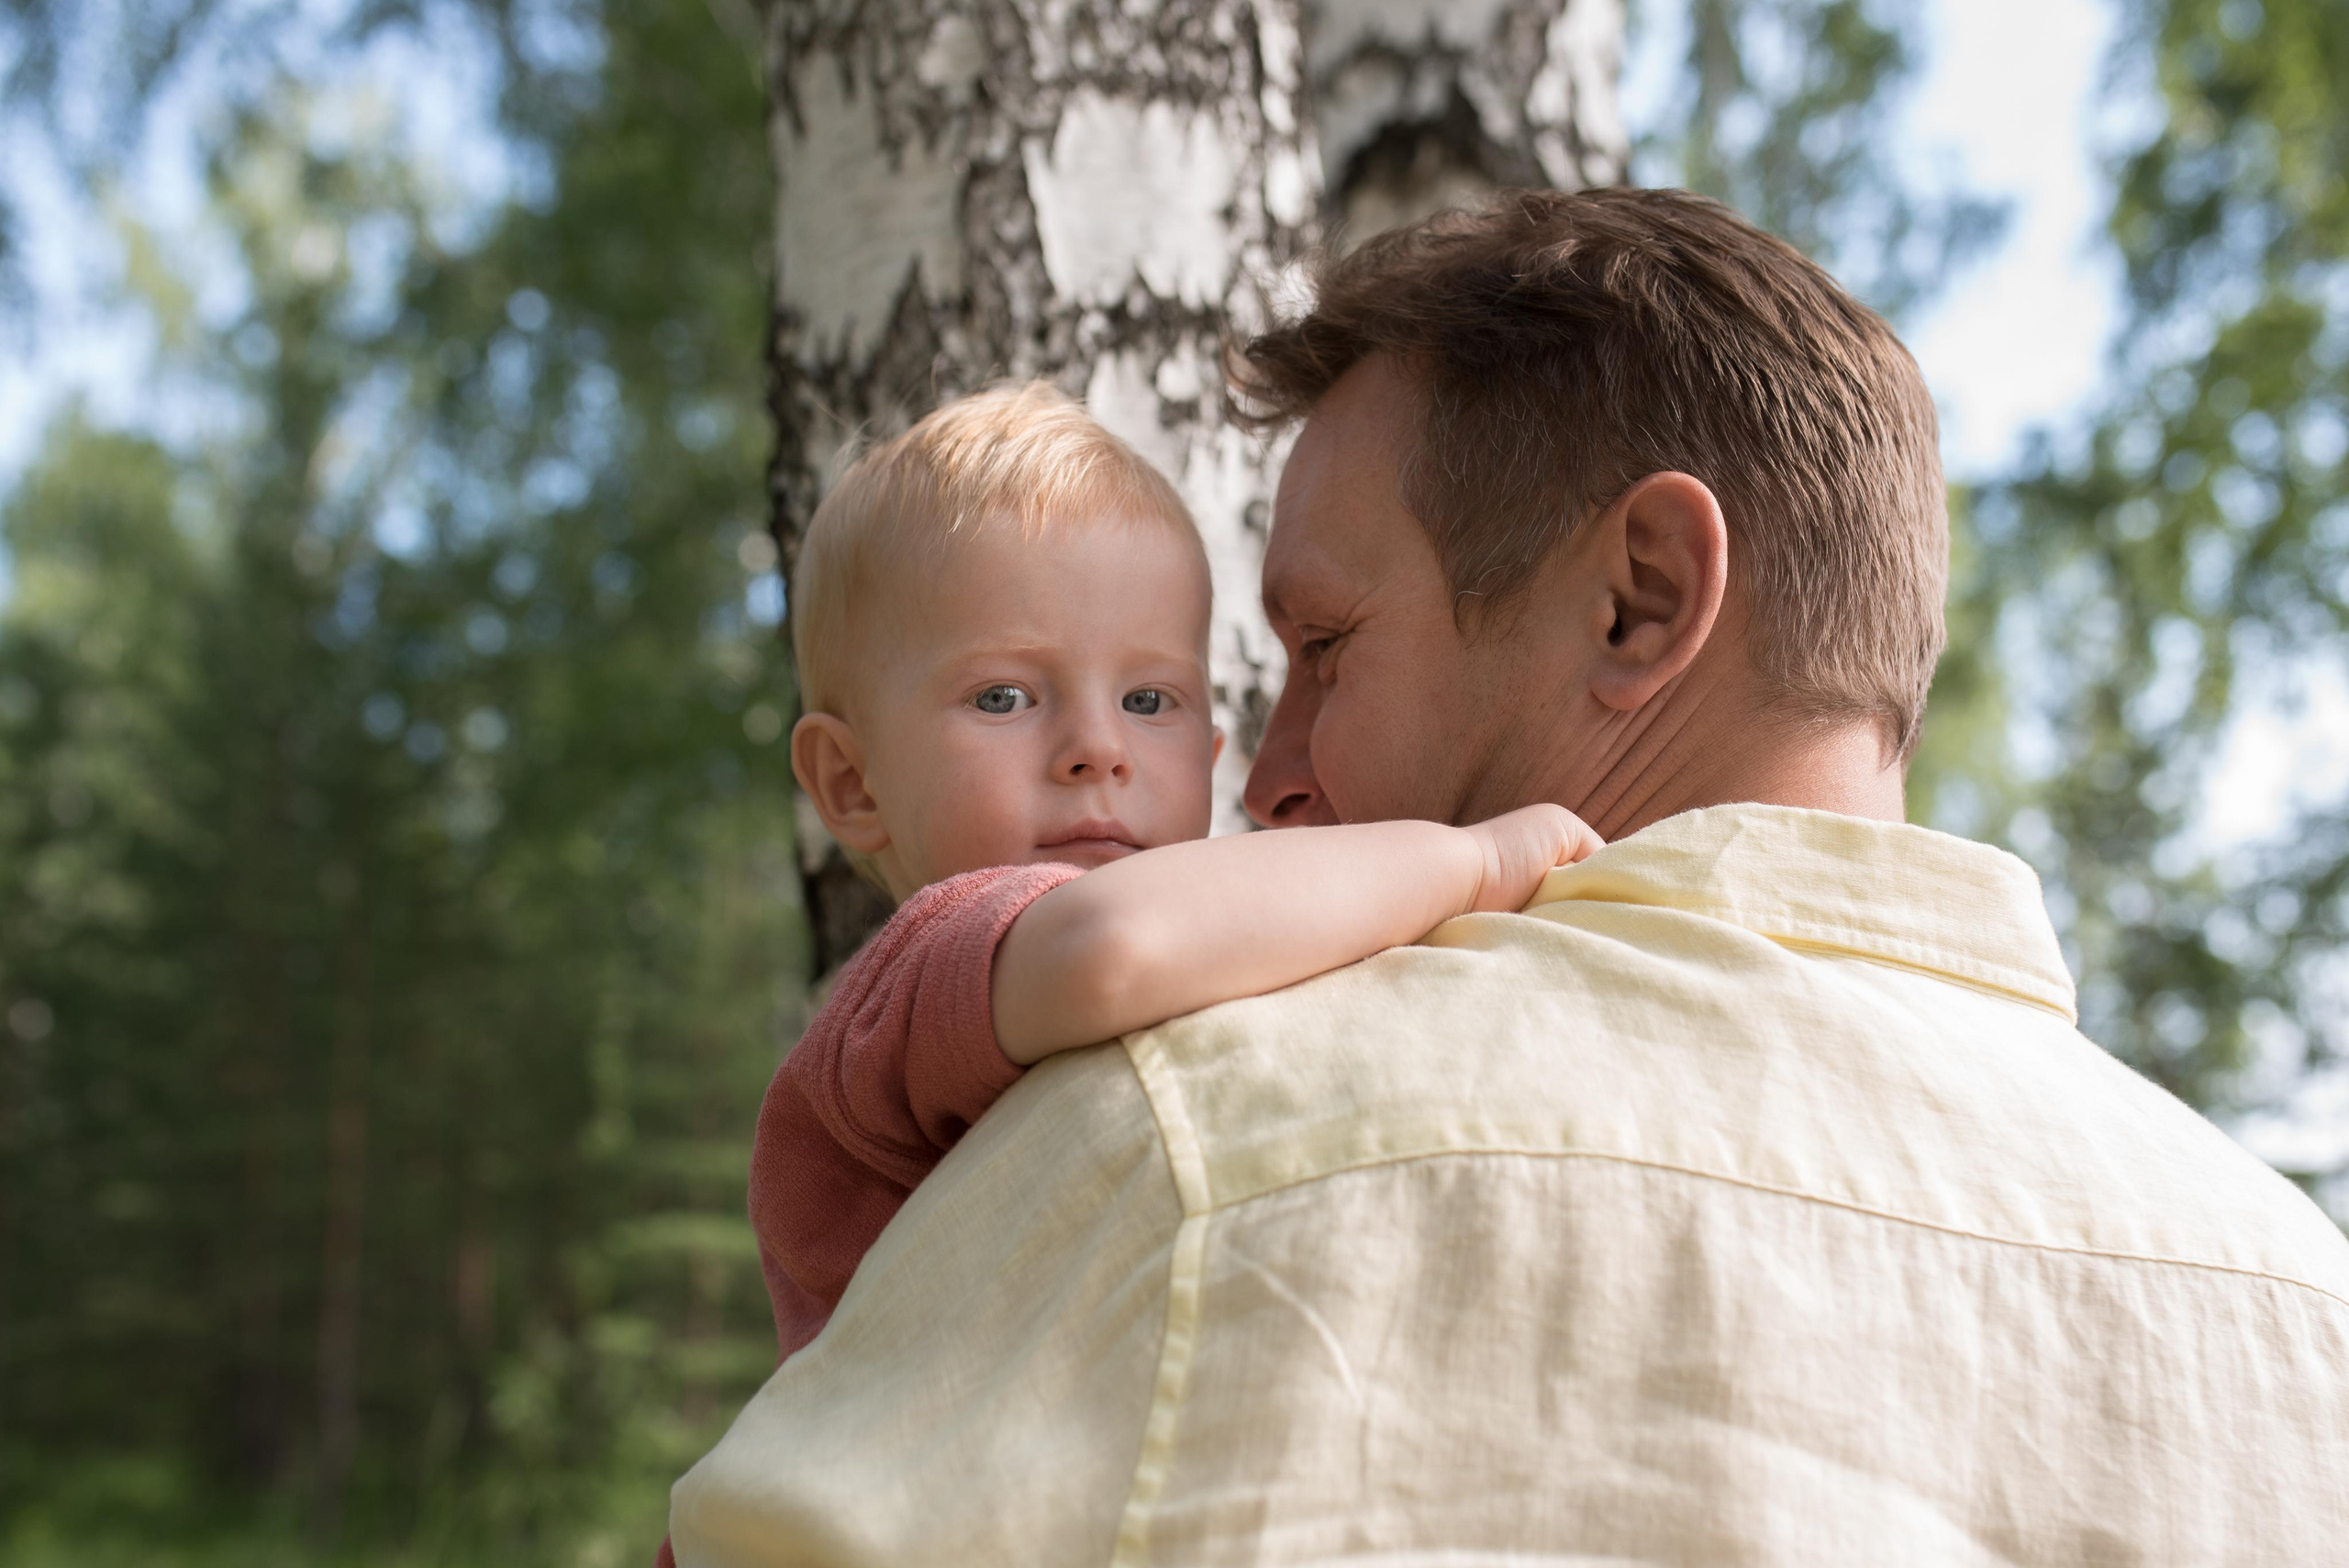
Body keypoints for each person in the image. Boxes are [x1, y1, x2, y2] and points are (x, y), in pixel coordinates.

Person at [669, 191, 2349, 1565]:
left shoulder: (1173, 1143)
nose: (1262, 780)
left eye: (1324, 646)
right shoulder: (2302, 1309)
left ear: (1638, 597)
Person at [749, 381, 1595, 1363]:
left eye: (1150, 698)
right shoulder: (923, 967)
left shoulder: (1189, 945)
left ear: (1211, 749)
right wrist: (1474, 858)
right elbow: (1113, 942)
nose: (1098, 747)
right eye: (1005, 695)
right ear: (851, 782)